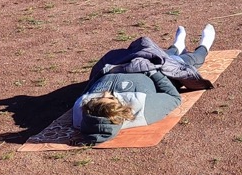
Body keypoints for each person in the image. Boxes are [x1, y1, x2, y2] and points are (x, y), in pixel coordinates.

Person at [72, 26, 215, 145]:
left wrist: (105, 71)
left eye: (98, 98)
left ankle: (177, 45)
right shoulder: (142, 108)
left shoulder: (82, 109)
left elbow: (89, 87)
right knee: (185, 60)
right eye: (109, 98)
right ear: (119, 110)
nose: (106, 93)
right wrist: (152, 72)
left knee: (152, 51)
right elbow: (174, 97)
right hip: (154, 70)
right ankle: (204, 45)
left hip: (124, 63)